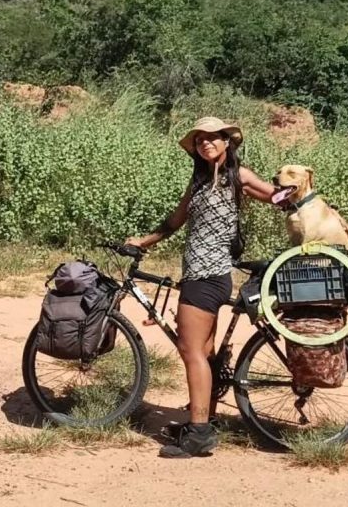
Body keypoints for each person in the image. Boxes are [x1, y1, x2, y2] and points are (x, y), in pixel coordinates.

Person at [125, 116, 276, 459]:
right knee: (204, 354)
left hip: (209, 276)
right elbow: (175, 222)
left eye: (213, 138)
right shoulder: (198, 182)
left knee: (189, 351)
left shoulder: (240, 175)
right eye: (200, 140)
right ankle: (202, 420)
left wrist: (305, 200)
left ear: (227, 142)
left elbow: (275, 195)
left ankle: (199, 436)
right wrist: (143, 241)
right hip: (197, 275)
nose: (206, 143)